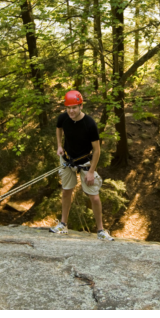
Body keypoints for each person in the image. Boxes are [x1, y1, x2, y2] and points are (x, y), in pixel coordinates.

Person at [50, 91, 114, 242]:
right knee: (66, 192)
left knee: (95, 197)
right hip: (67, 159)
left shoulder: (90, 124)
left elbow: (97, 150)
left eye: (74, 108)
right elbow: (59, 129)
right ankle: (63, 225)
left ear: (81, 106)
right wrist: (59, 145)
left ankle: (100, 230)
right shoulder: (63, 118)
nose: (71, 111)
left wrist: (91, 171)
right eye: (68, 108)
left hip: (85, 162)